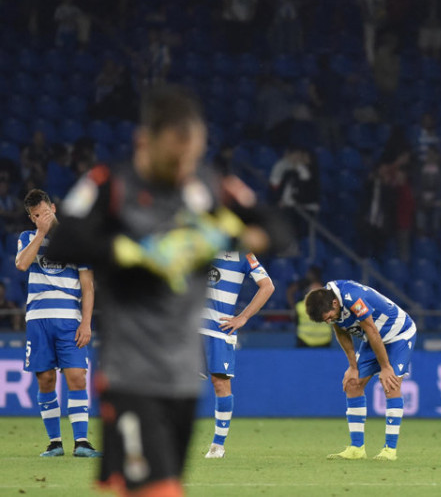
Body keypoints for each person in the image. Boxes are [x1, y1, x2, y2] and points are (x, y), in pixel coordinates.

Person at [46, 85, 277, 495]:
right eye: (175, 154)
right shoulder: (110, 183)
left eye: (191, 154)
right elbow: (64, 239)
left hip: (181, 378)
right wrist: (129, 251)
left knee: (146, 484)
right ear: (145, 141)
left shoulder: (207, 186)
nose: (183, 164)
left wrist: (223, 232)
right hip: (131, 372)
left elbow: (278, 230)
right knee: (158, 489)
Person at [15, 189, 100, 458]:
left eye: (45, 212)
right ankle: (54, 443)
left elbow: (88, 287)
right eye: (36, 215)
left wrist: (86, 323)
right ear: (31, 217)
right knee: (46, 379)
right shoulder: (28, 238)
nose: (42, 218)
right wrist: (40, 235)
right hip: (38, 320)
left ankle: (82, 442)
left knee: (77, 376)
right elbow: (21, 265)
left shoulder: (77, 241)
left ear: (54, 207)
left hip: (69, 321)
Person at [305, 279, 417, 461]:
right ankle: (357, 448)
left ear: (335, 303)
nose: (329, 321)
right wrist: (352, 367)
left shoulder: (353, 298)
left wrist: (386, 367)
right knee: (352, 384)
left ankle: (390, 450)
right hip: (373, 338)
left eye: (328, 317)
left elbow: (372, 330)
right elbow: (341, 330)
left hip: (398, 334)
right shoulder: (328, 300)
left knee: (390, 384)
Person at [201, 251, 274, 459]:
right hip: (190, 326)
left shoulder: (244, 254)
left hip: (219, 329)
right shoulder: (199, 241)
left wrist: (243, 317)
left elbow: (267, 286)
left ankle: (217, 446)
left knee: (220, 383)